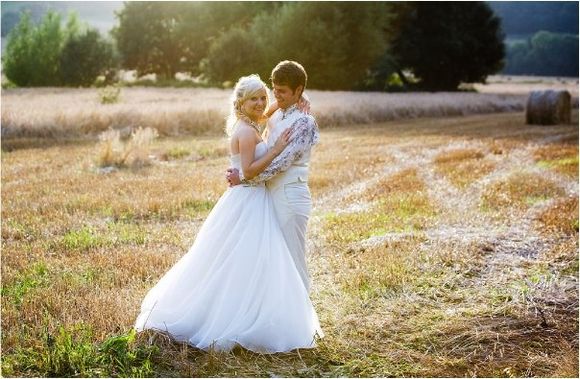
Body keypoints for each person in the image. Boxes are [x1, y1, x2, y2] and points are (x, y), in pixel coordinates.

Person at [134, 74, 323, 353]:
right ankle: (246, 315)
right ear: (240, 103)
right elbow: (249, 170)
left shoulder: (250, 123)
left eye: (264, 97)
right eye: (254, 99)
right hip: (249, 196)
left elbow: (266, 112)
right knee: (242, 260)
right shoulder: (246, 131)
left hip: (256, 197)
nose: (262, 103)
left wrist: (294, 102)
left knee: (249, 259)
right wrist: (278, 147)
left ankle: (265, 310)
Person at [227, 60, 319, 292]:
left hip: (290, 195)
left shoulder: (305, 122)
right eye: (274, 90)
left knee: (293, 259)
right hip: (269, 196)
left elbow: (281, 163)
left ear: (298, 90)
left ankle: (302, 320)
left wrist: (244, 179)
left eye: (282, 91)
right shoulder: (277, 115)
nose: (275, 96)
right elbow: (254, 118)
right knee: (276, 260)